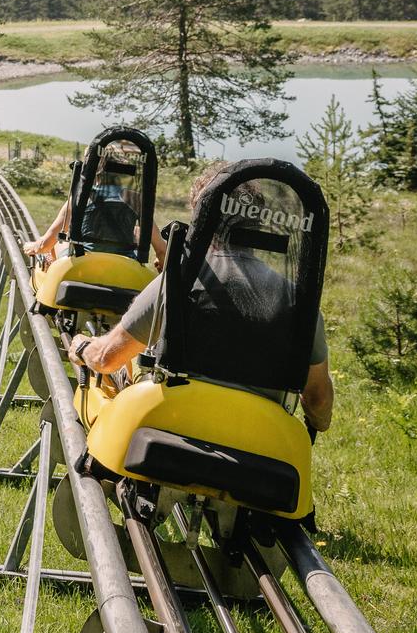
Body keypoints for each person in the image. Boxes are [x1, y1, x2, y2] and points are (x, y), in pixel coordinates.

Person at [68, 162, 334, 438]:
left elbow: (107, 357)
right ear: (258, 223)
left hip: (174, 425)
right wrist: (316, 422)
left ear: (202, 218)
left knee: (124, 366)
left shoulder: (177, 282)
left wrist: (82, 347)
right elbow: (318, 401)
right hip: (262, 439)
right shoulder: (300, 304)